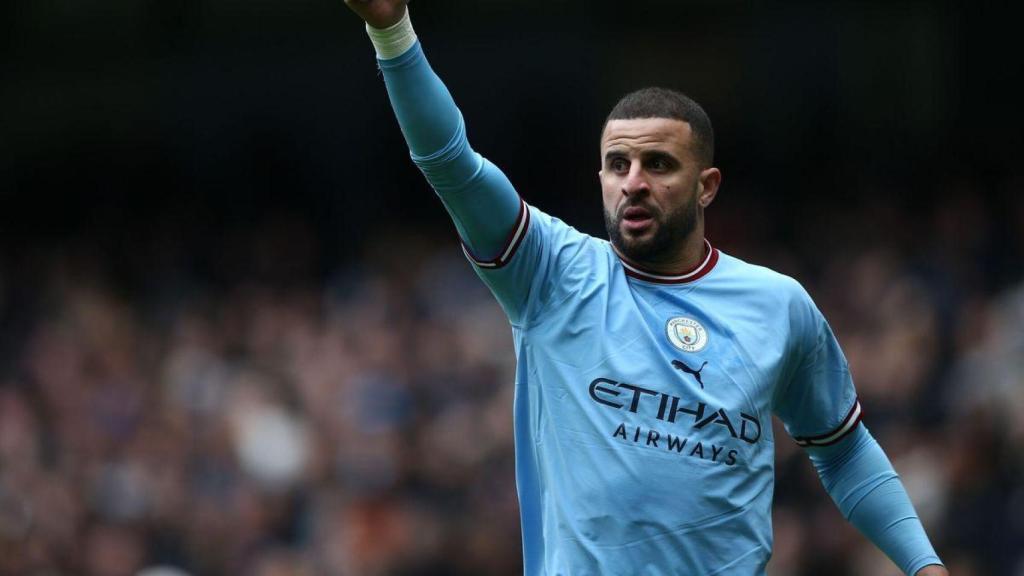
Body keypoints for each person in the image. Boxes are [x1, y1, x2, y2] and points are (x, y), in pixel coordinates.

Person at [343, 1, 948, 574]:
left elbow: (842, 451)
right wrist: (392, 30)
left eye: (658, 164)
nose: (633, 182)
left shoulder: (778, 305)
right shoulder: (551, 271)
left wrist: (924, 563)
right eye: (617, 165)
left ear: (707, 185)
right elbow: (452, 162)